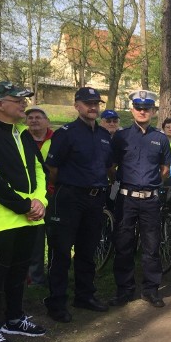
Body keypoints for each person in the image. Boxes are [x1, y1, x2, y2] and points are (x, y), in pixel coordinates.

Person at [0, 82, 47, 342]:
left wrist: (40, 201)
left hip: (30, 215)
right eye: (17, 99)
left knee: (20, 270)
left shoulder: (23, 133)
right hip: (1, 217)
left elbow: (40, 170)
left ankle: (14, 318)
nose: (24, 104)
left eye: (24, 99)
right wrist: (23, 205)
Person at [45, 87, 113, 323]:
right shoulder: (65, 133)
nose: (92, 107)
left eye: (96, 103)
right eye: (87, 103)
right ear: (77, 106)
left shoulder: (104, 135)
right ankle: (56, 302)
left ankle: (84, 296)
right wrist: (64, 189)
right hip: (69, 198)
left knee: (87, 250)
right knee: (62, 252)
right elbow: (52, 169)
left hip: (95, 199)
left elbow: (108, 167)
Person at [108, 91, 171, 308]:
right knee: (124, 245)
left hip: (150, 201)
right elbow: (112, 166)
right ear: (132, 109)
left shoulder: (161, 138)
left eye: (147, 108)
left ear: (153, 112)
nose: (142, 111)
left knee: (151, 246)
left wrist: (148, 184)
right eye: (138, 107)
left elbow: (165, 168)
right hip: (126, 200)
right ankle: (124, 290)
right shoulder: (121, 136)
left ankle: (151, 290)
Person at [25, 106, 54, 286]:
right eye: (30, 118)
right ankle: (34, 278)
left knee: (55, 237)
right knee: (35, 239)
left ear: (47, 121)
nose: (34, 120)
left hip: (54, 194)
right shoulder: (21, 139)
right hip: (32, 197)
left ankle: (55, 273)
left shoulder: (58, 139)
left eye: (38, 117)